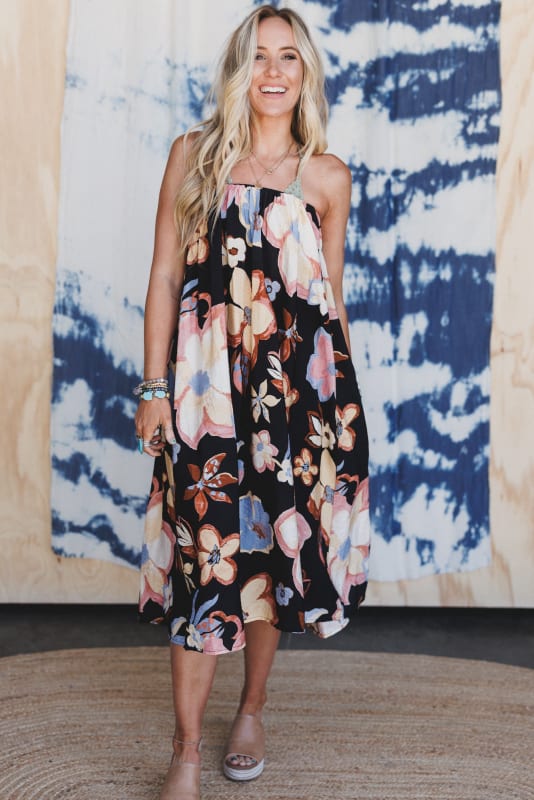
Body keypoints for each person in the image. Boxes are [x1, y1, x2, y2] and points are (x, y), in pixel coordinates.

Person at [134, 5, 371, 799]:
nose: (274, 71)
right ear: (241, 70)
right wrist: (155, 388)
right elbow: (165, 274)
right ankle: (185, 750)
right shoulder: (195, 156)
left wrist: (342, 426)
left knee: (270, 562)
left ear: (305, 74)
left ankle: (252, 710)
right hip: (204, 403)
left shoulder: (327, 177)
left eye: (288, 57)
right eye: (260, 56)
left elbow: (329, 307)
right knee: (205, 564)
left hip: (297, 411)